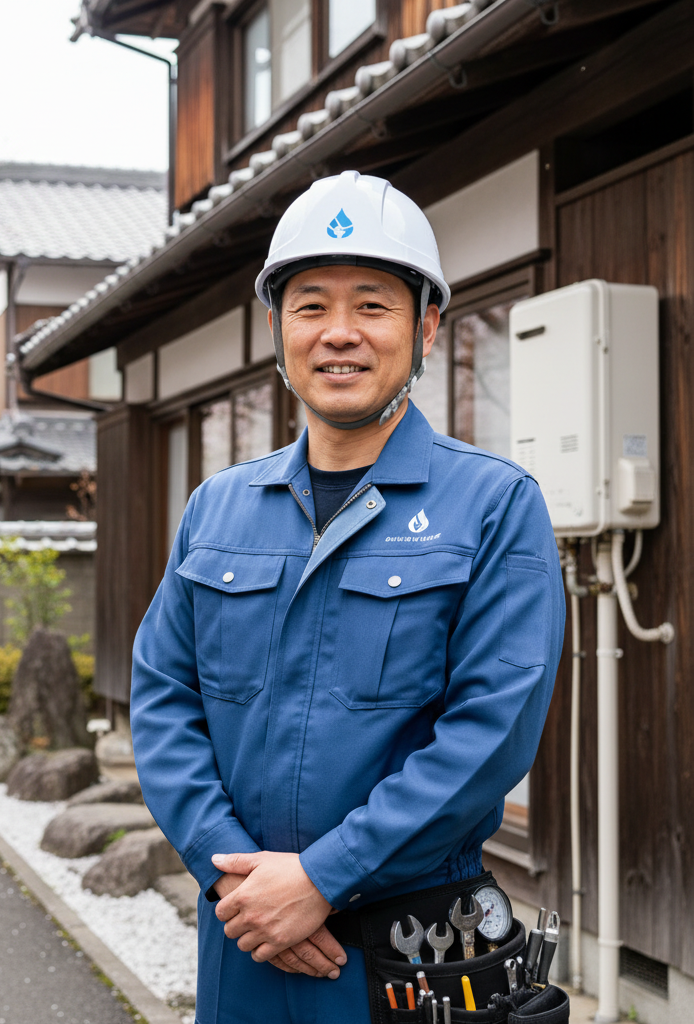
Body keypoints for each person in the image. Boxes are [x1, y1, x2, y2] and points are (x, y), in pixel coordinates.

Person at [130, 171, 565, 1023]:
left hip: (409, 945)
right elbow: (162, 701)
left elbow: (490, 732)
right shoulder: (218, 508)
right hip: (245, 932)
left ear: (426, 326)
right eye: (310, 306)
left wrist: (324, 878)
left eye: (372, 305)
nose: (339, 335)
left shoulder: (495, 504)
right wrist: (243, 882)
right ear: (276, 329)